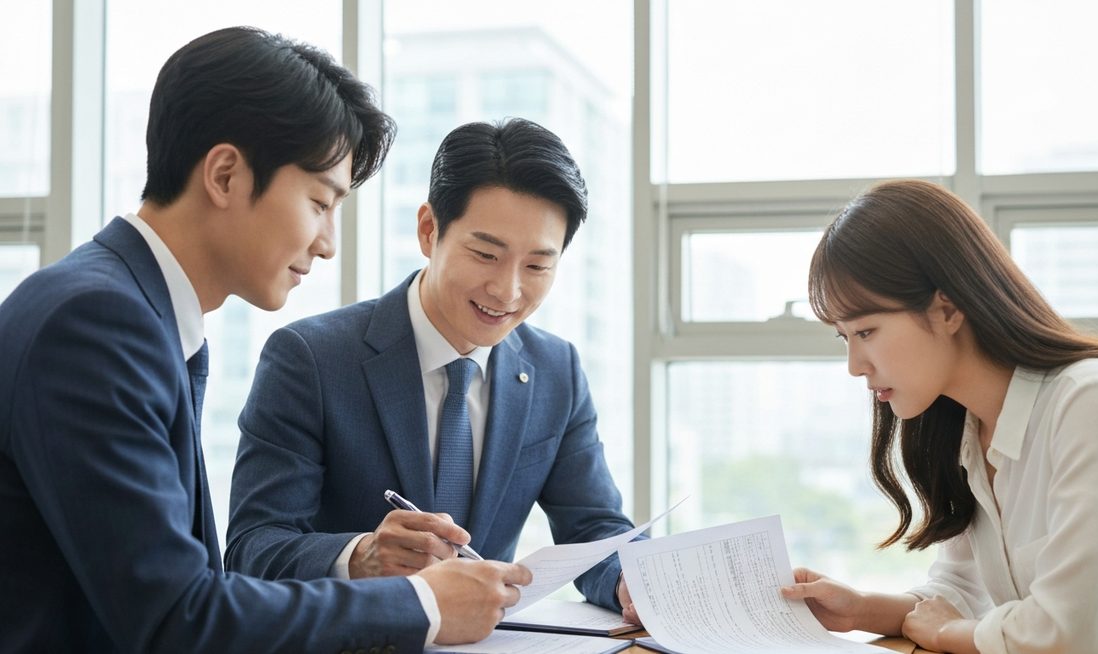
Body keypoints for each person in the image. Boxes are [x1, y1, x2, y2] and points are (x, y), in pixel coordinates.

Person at [0, 27, 530, 653]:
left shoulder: (132, 310)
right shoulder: (97, 323)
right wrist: (421, 604)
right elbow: (177, 617)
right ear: (225, 174)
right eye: (318, 202)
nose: (328, 242)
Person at [224, 117, 641, 622]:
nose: (507, 292)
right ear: (428, 230)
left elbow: (595, 531)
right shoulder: (310, 358)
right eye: (486, 254)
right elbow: (253, 548)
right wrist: (359, 556)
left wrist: (631, 582)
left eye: (536, 266)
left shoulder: (557, 370)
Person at [779, 179, 1098, 653]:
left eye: (866, 331)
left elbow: (1072, 636)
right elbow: (963, 591)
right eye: (845, 337)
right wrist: (861, 608)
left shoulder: (1096, 402)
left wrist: (946, 633)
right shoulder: (967, 428)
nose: (856, 366)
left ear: (948, 309)